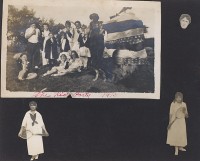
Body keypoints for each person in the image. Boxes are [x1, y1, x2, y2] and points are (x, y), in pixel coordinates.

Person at [88, 13, 105, 81]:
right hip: (93, 43)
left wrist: (99, 33)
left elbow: (101, 31)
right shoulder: (90, 24)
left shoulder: (100, 23)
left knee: (99, 58)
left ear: (97, 17)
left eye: (94, 17)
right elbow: (88, 32)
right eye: (92, 17)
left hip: (99, 42)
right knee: (94, 58)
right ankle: (97, 73)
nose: (93, 19)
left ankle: (103, 74)